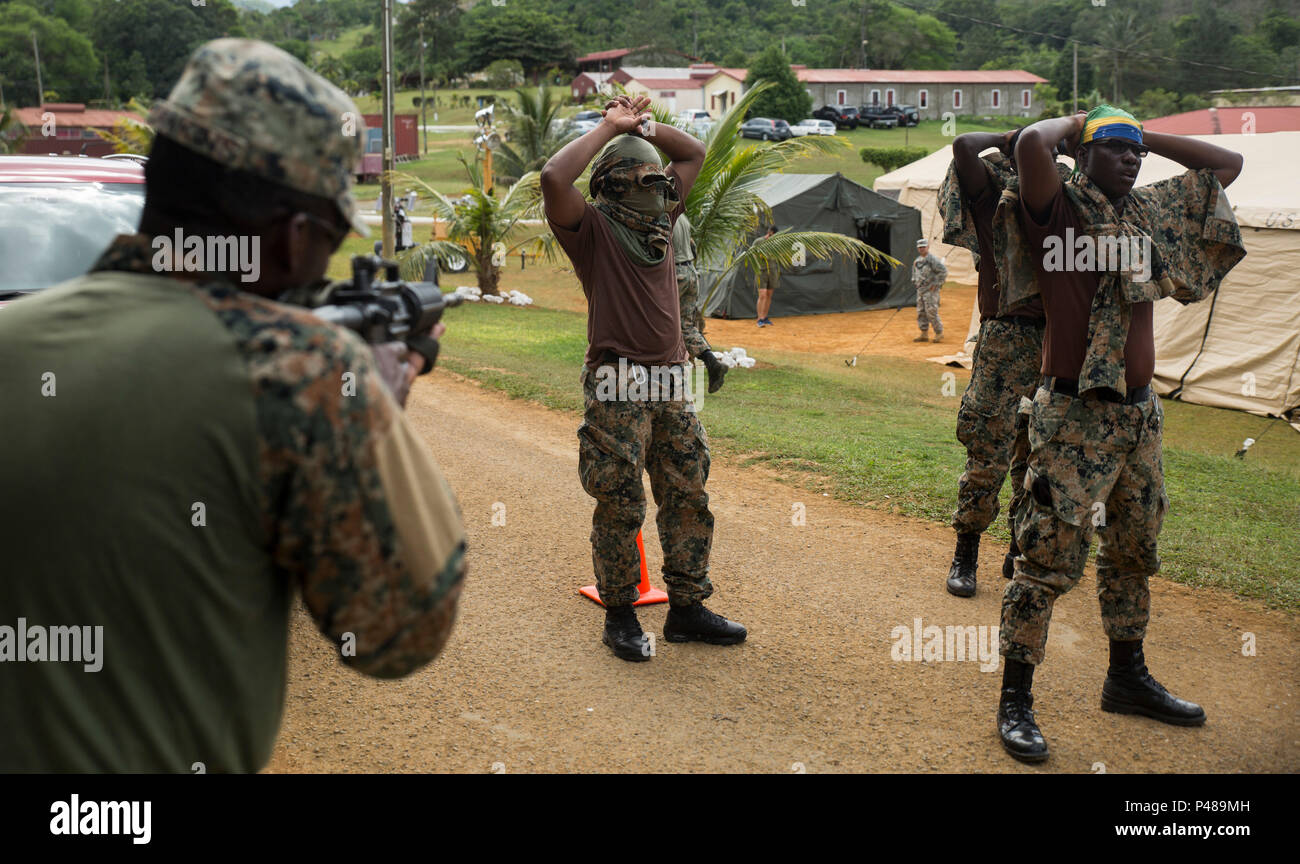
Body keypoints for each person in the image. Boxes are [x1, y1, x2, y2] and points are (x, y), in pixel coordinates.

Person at [0, 39, 468, 772]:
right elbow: (400, 632)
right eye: (331, 238)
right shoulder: (298, 372)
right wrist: (374, 404)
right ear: (293, 237)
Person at [995, 105, 1244, 762]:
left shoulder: (1148, 212)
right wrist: (1080, 123)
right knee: (1046, 560)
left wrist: (1139, 136)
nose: (1131, 160)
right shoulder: (1059, 208)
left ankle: (1126, 677)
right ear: (1082, 152)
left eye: (1136, 153)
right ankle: (1015, 699)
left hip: (1139, 416)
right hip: (1075, 416)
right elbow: (1027, 143)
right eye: (1117, 150)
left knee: (1134, 552)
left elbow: (1226, 165)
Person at [541, 94, 746, 662]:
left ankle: (686, 608)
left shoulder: (663, 224)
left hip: (671, 381)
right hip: (617, 383)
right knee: (620, 499)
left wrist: (646, 127)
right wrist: (608, 128)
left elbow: (696, 152)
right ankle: (621, 615)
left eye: (657, 181)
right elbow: (555, 175)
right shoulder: (593, 230)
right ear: (609, 185)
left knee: (688, 494)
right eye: (639, 179)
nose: (654, 188)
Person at [938, 128, 1050, 598]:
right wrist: (1008, 136)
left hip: (1053, 343)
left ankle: (1018, 547)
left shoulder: (1065, 202)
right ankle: (966, 554)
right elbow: (963, 146)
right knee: (988, 453)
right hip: (1004, 339)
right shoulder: (993, 201)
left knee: (1038, 455)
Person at [672, 212, 727, 393]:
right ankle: (712, 362)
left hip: (674, 274)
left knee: (661, 324)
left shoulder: (661, 214)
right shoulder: (681, 216)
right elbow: (693, 247)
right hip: (690, 272)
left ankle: (666, 375)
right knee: (685, 326)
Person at [911, 238, 947, 342]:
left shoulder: (933, 260)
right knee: (921, 312)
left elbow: (943, 272)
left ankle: (939, 333)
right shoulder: (917, 261)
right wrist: (915, 283)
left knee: (931, 311)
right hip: (920, 291)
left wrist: (936, 284)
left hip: (930, 291)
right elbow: (914, 274)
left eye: (923, 247)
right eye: (920, 247)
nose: (922, 249)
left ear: (928, 247)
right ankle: (924, 333)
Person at [755, 225, 779, 327]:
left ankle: (764, 317)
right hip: (761, 271)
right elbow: (753, 255)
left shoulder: (777, 243)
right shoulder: (758, 242)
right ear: (769, 232)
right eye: (771, 234)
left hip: (773, 271)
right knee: (762, 294)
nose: (771, 237)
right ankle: (759, 319)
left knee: (769, 294)